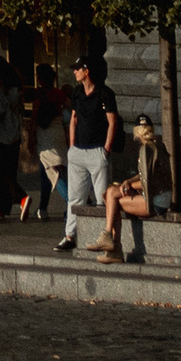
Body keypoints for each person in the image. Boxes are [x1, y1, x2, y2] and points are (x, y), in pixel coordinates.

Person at [57, 57, 117, 256]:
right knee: (75, 197)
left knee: (102, 197)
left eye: (77, 69)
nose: (74, 72)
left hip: (97, 151)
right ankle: (70, 236)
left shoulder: (105, 93)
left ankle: (103, 236)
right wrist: (72, 146)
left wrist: (106, 149)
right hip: (78, 152)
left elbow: (112, 121)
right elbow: (73, 119)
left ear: (87, 70)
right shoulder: (77, 92)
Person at [96, 112, 171, 262]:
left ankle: (112, 242)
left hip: (155, 202)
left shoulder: (145, 150)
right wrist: (129, 182)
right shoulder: (157, 146)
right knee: (111, 193)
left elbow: (147, 182)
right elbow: (144, 174)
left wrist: (129, 186)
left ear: (136, 132)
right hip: (163, 198)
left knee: (111, 197)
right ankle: (111, 244)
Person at [24, 62, 66, 224]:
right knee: (55, 169)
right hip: (58, 132)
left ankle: (67, 201)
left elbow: (34, 116)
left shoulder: (39, 94)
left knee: (50, 171)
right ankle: (43, 206)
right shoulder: (59, 93)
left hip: (45, 135)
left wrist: (31, 137)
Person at [0, 56, 25, 222]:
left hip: (1, 134)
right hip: (15, 134)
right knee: (10, 171)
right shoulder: (16, 87)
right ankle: (3, 207)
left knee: (0, 171)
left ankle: (20, 197)